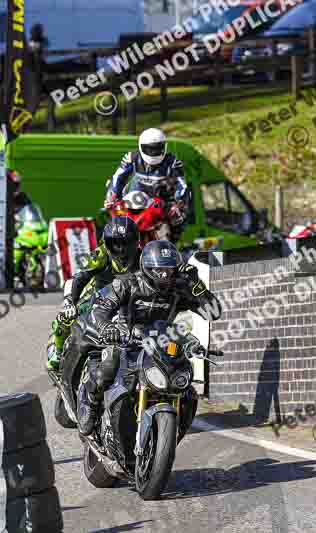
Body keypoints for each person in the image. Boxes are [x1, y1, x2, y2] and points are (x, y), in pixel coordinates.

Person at [74, 240, 221, 436]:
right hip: (126, 341)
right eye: (159, 270)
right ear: (147, 267)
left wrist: (197, 285)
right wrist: (107, 327)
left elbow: (214, 312)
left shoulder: (178, 288)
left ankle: (169, 432)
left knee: (186, 390)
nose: (164, 275)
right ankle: (90, 406)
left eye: (169, 270)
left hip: (159, 344)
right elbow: (100, 309)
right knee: (106, 372)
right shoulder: (127, 282)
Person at [46, 216, 140, 372]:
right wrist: (70, 301)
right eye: (114, 243)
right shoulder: (100, 254)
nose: (120, 249)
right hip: (98, 295)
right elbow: (80, 278)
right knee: (66, 316)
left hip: (127, 299)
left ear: (135, 242)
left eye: (125, 243)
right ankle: (58, 350)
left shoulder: (143, 257)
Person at [104, 128, 190, 241]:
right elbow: (118, 177)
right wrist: (112, 195)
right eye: (150, 149)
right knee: (112, 215)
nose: (153, 152)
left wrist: (179, 202)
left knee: (177, 217)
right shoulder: (132, 158)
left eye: (157, 148)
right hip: (135, 198)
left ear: (164, 147)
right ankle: (110, 244)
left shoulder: (172, 162)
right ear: (141, 147)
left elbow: (181, 184)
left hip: (162, 200)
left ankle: (173, 243)